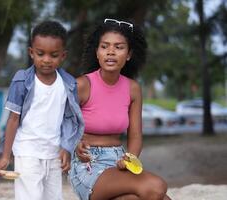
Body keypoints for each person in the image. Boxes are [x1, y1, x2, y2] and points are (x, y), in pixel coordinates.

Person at [69, 18, 171, 200]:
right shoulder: (82, 85)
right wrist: (75, 143)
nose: (110, 52)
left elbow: (135, 135)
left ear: (129, 54)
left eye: (119, 47)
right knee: (156, 187)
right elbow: (60, 124)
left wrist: (129, 157)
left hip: (119, 161)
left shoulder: (132, 88)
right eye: (104, 46)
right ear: (97, 52)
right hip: (88, 165)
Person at [0, 20, 84, 200]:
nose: (47, 60)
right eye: (40, 54)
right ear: (31, 53)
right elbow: (13, 119)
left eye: (54, 55)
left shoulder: (68, 84)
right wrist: (5, 156)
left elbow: (68, 120)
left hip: (53, 153)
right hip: (27, 152)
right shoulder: (22, 81)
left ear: (63, 55)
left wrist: (66, 148)